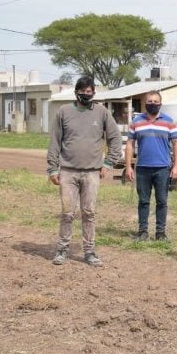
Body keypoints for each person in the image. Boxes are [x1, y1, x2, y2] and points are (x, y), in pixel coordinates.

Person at [47, 75, 122, 267]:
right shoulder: (63, 112)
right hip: (67, 172)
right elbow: (55, 141)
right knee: (67, 213)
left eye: (90, 92)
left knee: (89, 212)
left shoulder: (102, 112)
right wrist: (52, 169)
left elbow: (115, 140)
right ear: (76, 92)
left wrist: (107, 164)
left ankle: (89, 251)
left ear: (94, 93)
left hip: (92, 173)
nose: (86, 95)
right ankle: (62, 250)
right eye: (83, 91)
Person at [125, 91, 177, 241]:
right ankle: (143, 231)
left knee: (162, 201)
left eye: (156, 101)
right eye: (150, 101)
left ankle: (160, 233)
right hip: (142, 168)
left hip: (163, 168)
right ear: (145, 103)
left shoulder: (169, 121)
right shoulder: (136, 122)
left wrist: (176, 166)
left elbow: (176, 144)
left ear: (160, 103)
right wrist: (129, 166)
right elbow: (130, 144)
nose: (153, 104)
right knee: (143, 201)